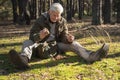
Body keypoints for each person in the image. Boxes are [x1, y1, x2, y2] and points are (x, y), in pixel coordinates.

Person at [9, 3, 109, 70]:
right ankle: (23, 61)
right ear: (49, 12)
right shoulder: (41, 20)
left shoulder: (62, 21)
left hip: (56, 45)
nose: (56, 18)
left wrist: (68, 39)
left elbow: (64, 36)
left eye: (58, 15)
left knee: (74, 44)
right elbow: (32, 36)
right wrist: (39, 35)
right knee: (27, 43)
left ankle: (91, 56)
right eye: (54, 15)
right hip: (40, 45)